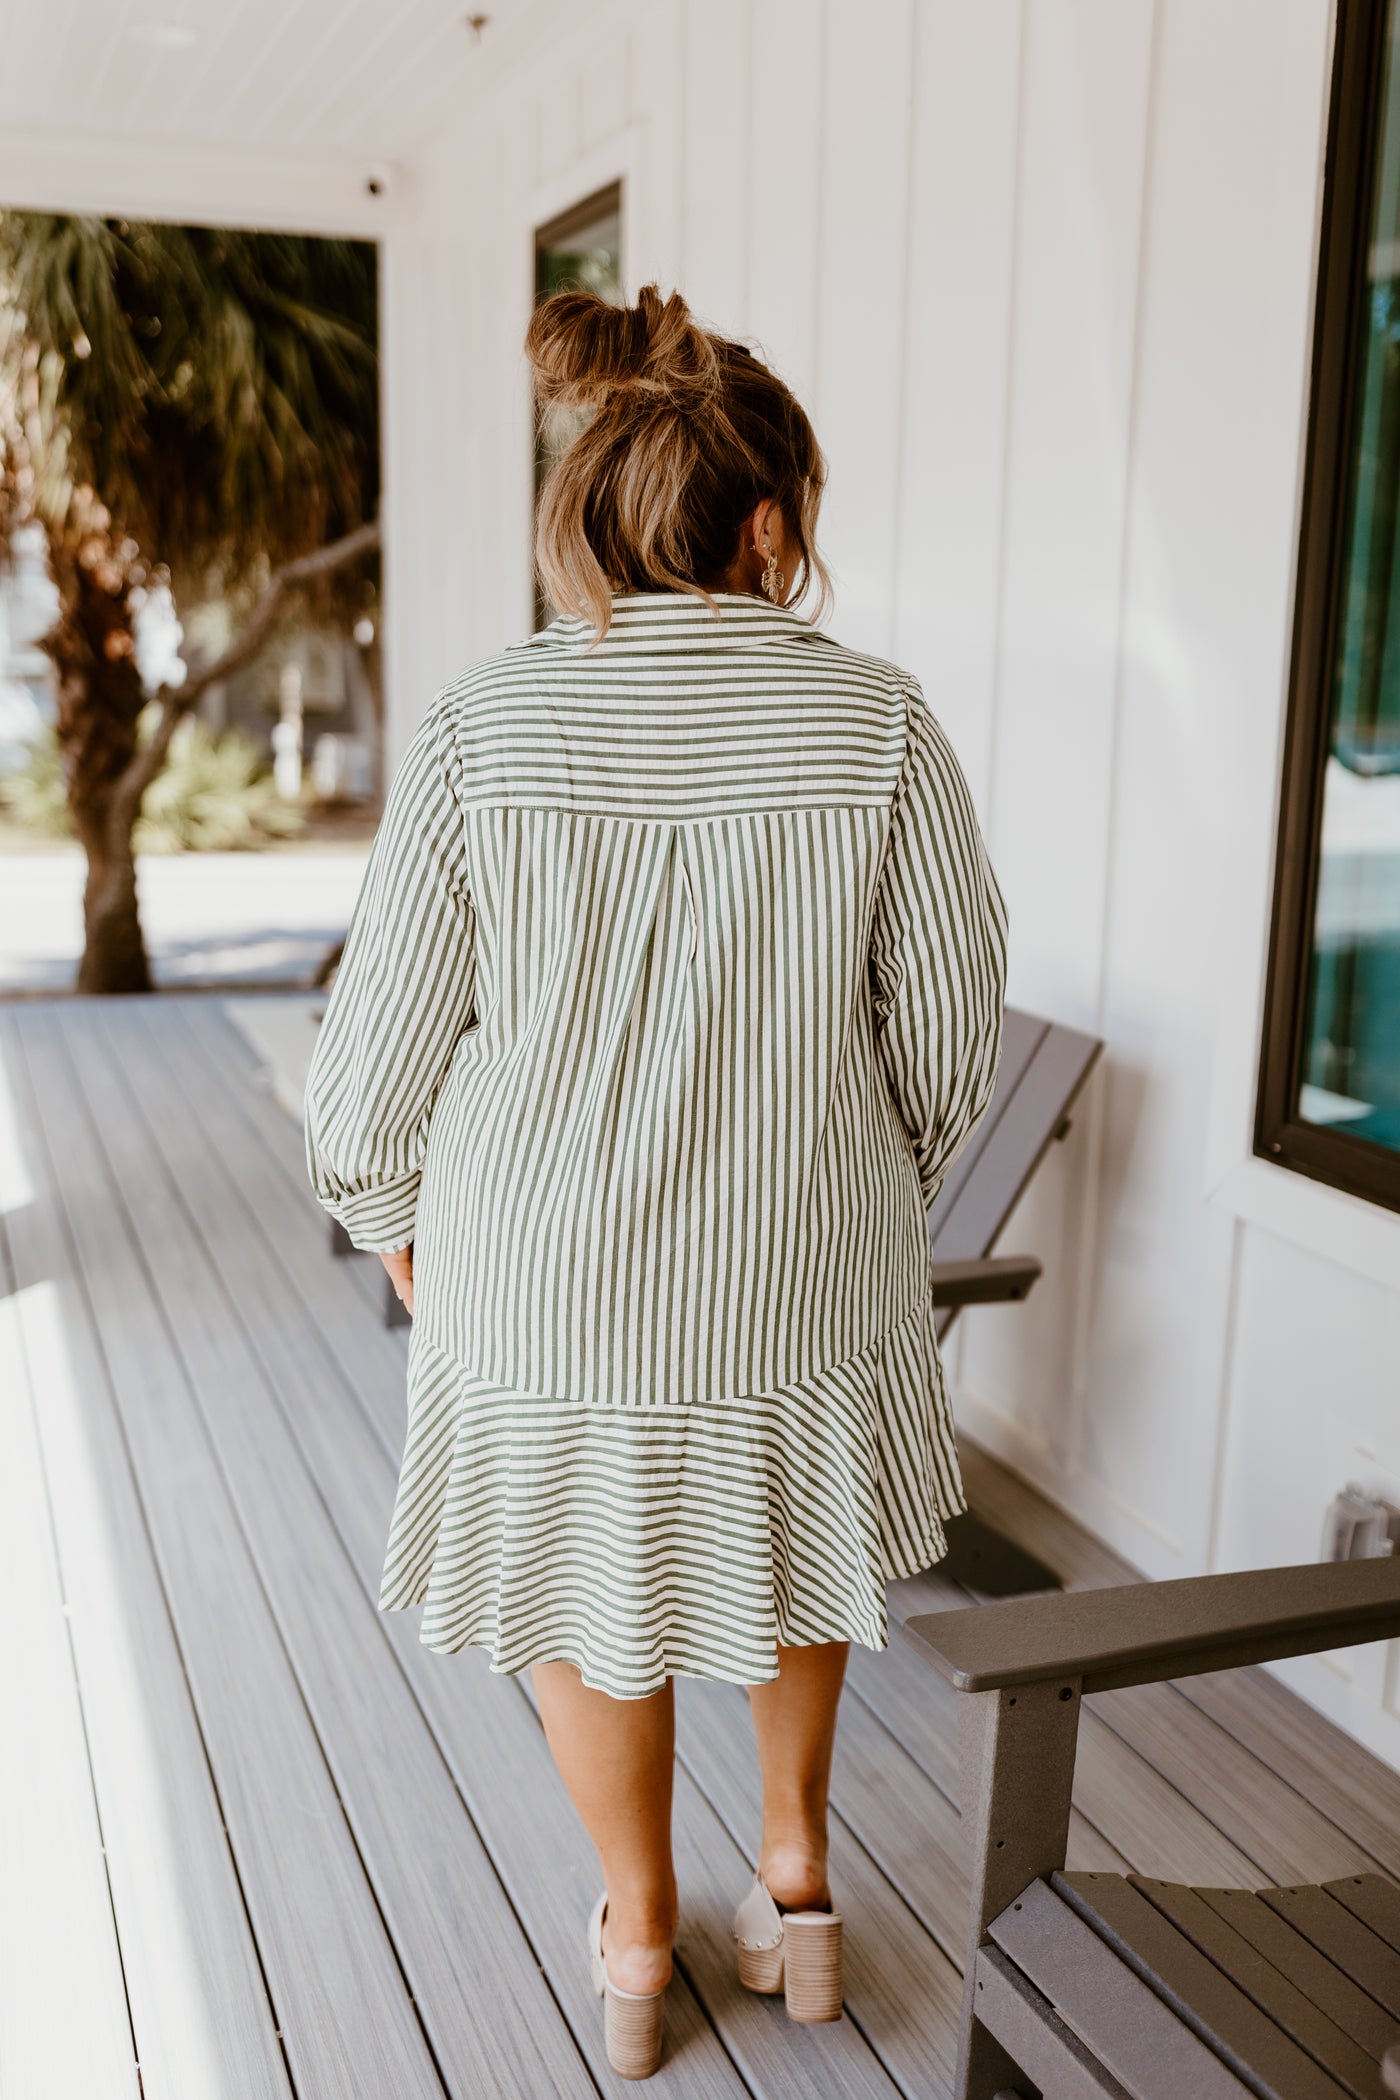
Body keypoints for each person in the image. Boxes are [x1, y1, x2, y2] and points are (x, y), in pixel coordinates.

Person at [304, 282, 1008, 2080]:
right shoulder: (876, 725)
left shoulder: (486, 728)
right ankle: (799, 1880)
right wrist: (863, 1188)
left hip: (542, 1271)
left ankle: (635, 1932)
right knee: (787, 1560)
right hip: (804, 1267)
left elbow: (381, 1038)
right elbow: (947, 1025)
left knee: (579, 1591)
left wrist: (391, 1217)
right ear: (768, 524)